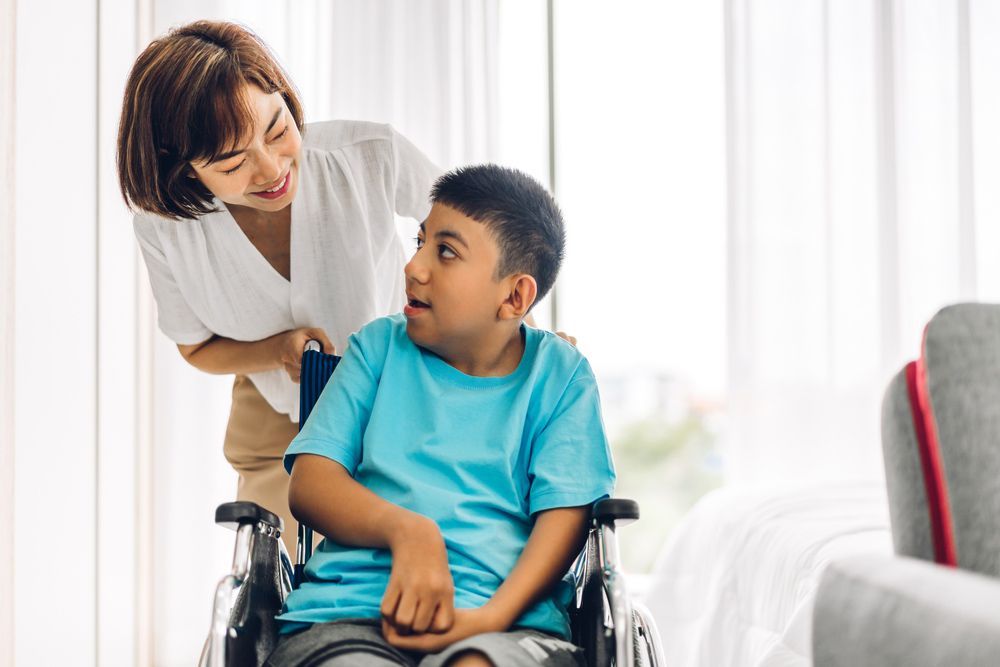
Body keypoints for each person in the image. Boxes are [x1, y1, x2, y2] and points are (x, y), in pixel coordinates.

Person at [266, 165, 616, 667]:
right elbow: (311, 483)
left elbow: (566, 516)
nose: (414, 267)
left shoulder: (560, 377)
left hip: (507, 623)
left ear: (514, 296)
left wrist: (491, 617)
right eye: (420, 241)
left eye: (446, 252)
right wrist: (409, 532)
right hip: (352, 611)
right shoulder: (377, 349)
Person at [117, 20, 442, 551]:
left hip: (405, 397)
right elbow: (197, 347)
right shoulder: (165, 229)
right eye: (232, 161)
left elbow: (479, 237)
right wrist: (276, 350)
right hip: (277, 419)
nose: (271, 169)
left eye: (276, 129)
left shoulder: (368, 152)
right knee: (289, 597)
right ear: (183, 171)